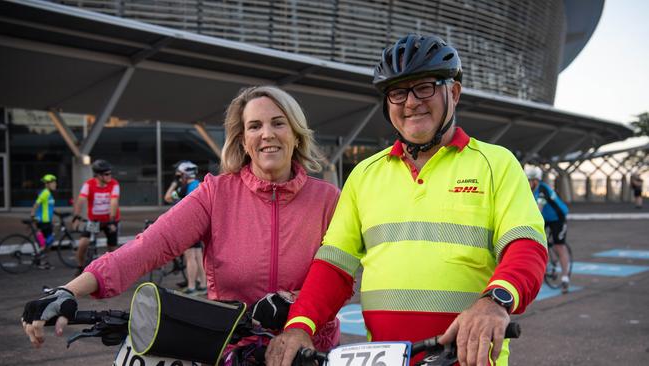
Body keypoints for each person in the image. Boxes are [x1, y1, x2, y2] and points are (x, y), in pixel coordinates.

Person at [266, 34, 548, 366]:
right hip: (385, 358)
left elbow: (526, 245)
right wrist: (300, 325)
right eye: (398, 92)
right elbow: (334, 265)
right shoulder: (365, 174)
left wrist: (495, 300)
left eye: (424, 87)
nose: (411, 102)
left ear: (453, 93)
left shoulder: (495, 164)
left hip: (468, 360)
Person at [21, 86, 341, 357]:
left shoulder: (328, 199)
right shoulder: (216, 193)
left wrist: (294, 303)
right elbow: (150, 245)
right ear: (243, 140)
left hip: (310, 352)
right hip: (233, 350)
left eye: (278, 123)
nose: (266, 134)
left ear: (297, 135)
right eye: (254, 126)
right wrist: (67, 290)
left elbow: (342, 276)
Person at [163, 160, 207, 295]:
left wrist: (174, 182)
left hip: (188, 226)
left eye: (179, 174)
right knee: (198, 256)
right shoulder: (199, 184)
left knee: (190, 257)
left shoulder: (184, 187)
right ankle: (203, 285)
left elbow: (168, 197)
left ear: (183, 174)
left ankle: (192, 286)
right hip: (199, 225)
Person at [70, 159, 121, 276]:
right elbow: (81, 200)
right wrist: (76, 216)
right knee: (83, 243)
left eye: (110, 173)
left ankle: (114, 271)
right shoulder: (89, 184)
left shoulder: (114, 184)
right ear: (98, 175)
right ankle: (80, 267)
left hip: (110, 220)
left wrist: (112, 221)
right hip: (94, 221)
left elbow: (114, 202)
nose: (110, 176)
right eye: (106, 174)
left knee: (113, 248)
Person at [526, 167, 571, 294]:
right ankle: (544, 266)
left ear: (535, 181)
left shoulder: (542, 189)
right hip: (545, 219)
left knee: (559, 246)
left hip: (558, 218)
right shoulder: (529, 190)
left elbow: (538, 209)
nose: (527, 183)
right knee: (538, 243)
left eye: (529, 180)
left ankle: (565, 278)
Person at [29, 174, 58, 269]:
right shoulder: (45, 193)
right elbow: (37, 203)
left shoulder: (48, 193)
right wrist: (33, 214)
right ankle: (41, 261)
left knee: (47, 242)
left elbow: (48, 208)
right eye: (53, 183)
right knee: (47, 242)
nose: (55, 184)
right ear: (48, 184)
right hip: (43, 221)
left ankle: (41, 259)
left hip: (47, 221)